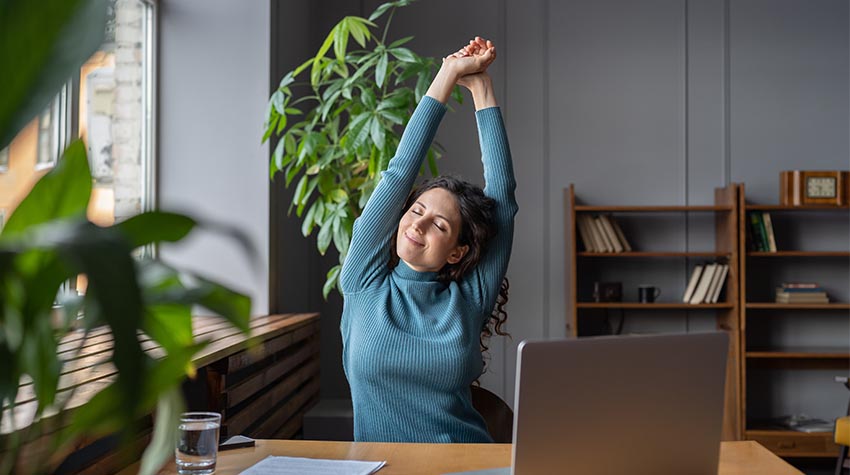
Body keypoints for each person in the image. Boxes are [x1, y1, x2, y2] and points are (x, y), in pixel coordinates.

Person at [339, 36, 517, 443]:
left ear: (457, 251)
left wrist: (481, 88)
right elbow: (400, 173)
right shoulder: (364, 281)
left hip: (468, 463)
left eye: (439, 225)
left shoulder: (469, 299)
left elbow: (502, 197)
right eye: (416, 211)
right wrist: (448, 73)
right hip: (382, 468)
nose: (417, 226)